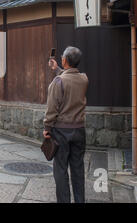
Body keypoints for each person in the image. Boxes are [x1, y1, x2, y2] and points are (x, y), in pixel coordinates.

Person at [43, 46, 88, 203]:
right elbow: (70, 78)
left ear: (64, 60)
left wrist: (47, 128)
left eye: (62, 57)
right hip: (79, 130)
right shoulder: (84, 79)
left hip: (61, 131)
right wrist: (58, 69)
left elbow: (52, 109)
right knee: (78, 168)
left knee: (61, 170)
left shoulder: (58, 82)